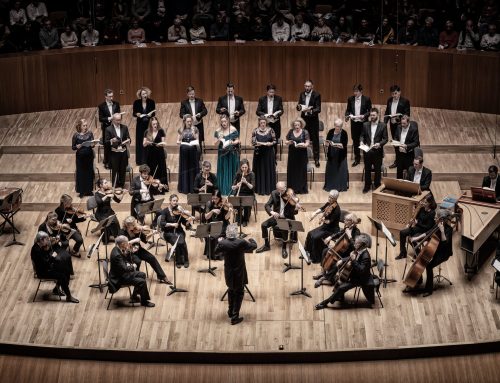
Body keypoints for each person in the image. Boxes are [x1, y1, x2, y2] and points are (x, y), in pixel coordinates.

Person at [403, 209, 454, 297]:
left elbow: (445, 243)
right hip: (436, 249)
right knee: (419, 259)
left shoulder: (448, 229)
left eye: (436, 217)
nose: (434, 218)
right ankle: (417, 281)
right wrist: (417, 238)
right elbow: (428, 233)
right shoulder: (437, 225)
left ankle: (429, 290)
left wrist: (442, 231)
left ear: (441, 219)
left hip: (444, 253)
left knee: (429, 266)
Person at [315, 233, 372, 310]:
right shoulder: (359, 250)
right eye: (355, 242)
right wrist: (342, 260)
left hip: (360, 278)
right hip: (355, 273)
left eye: (356, 243)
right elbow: (351, 257)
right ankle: (339, 297)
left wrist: (353, 260)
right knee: (338, 278)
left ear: (362, 245)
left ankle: (326, 302)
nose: (354, 244)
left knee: (341, 287)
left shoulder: (366, 257)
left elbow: (361, 271)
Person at [216, 223, 257, 325]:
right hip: (239, 272)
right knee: (239, 293)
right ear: (236, 233)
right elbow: (253, 246)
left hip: (228, 272)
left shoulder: (223, 243)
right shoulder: (241, 242)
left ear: (227, 233)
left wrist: (219, 242)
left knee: (230, 290)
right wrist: (252, 240)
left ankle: (230, 312)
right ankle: (235, 317)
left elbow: (216, 252)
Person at [256, 181, 302, 258]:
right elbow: (267, 205)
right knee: (263, 225)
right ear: (276, 189)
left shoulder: (290, 194)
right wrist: (272, 212)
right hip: (277, 217)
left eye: (283, 190)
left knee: (283, 227)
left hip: (288, 217)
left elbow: (293, 212)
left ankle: (284, 248)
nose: (281, 192)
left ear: (285, 188)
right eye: (279, 190)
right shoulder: (274, 193)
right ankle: (266, 245)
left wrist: (296, 208)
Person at [313, 213, 361, 288]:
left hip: (347, 254)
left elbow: (355, 247)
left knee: (336, 265)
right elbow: (339, 233)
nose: (344, 221)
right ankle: (323, 271)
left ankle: (325, 277)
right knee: (325, 250)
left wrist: (349, 236)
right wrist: (330, 237)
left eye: (346, 220)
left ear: (351, 221)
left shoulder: (356, 232)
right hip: (340, 250)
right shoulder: (347, 227)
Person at [119, 216, 171, 284]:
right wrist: (134, 240)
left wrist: (152, 233)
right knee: (137, 261)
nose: (135, 225)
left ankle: (162, 277)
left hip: (138, 249)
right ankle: (135, 277)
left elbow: (145, 240)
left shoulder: (136, 230)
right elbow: (122, 245)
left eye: (135, 224)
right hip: (128, 252)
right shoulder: (122, 232)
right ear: (128, 225)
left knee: (152, 258)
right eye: (133, 224)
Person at [31, 231, 79, 303]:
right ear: (41, 240)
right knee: (62, 276)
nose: (48, 241)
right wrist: (52, 257)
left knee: (66, 268)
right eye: (46, 239)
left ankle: (58, 289)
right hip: (43, 272)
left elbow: (46, 257)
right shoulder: (36, 250)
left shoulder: (40, 246)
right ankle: (68, 296)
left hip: (47, 268)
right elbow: (45, 264)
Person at [109, 235, 155, 307]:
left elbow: (122, 262)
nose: (128, 244)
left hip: (120, 273)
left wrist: (128, 252)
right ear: (122, 244)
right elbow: (125, 269)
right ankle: (144, 302)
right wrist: (133, 266)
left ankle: (134, 296)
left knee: (142, 275)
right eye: (126, 243)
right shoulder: (117, 254)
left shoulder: (116, 249)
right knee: (142, 281)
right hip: (119, 278)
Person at [396, 194, 437, 260]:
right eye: (424, 201)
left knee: (412, 238)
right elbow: (417, 217)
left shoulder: (432, 213)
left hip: (424, 231)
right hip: (417, 228)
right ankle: (403, 253)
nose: (423, 203)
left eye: (425, 202)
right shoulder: (422, 208)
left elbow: (428, 227)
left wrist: (418, 223)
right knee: (402, 232)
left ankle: (418, 252)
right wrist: (414, 219)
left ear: (430, 203)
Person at [305, 190, 341, 263]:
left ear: (335, 199)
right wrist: (314, 213)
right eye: (329, 197)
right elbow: (322, 209)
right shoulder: (329, 203)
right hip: (325, 227)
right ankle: (307, 251)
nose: (329, 199)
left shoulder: (337, 210)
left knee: (315, 238)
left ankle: (315, 258)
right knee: (309, 233)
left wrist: (323, 220)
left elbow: (329, 222)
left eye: (331, 198)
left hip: (332, 229)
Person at [158, 194, 194, 268]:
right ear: (170, 201)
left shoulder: (179, 211)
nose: (175, 202)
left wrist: (188, 221)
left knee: (183, 243)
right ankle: (178, 261)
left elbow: (185, 223)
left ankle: (186, 260)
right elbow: (162, 223)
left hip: (179, 231)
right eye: (174, 201)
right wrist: (172, 224)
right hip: (168, 233)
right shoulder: (165, 211)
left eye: (176, 201)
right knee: (177, 243)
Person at [38, 212, 75, 279]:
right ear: (48, 219)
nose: (55, 222)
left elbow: (63, 238)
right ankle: (59, 274)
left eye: (56, 220)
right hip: (47, 248)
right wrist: (52, 239)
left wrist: (63, 234)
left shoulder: (57, 225)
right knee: (58, 258)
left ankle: (69, 273)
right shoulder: (42, 227)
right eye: (53, 220)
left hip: (56, 246)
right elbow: (40, 240)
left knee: (68, 256)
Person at [360, 108, 388, 193]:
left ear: (377, 115)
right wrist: (361, 141)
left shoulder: (383, 125)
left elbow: (386, 139)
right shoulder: (365, 125)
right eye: (371, 115)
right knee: (367, 169)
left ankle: (377, 185)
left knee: (377, 169)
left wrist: (379, 144)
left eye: (373, 115)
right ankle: (367, 186)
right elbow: (362, 136)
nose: (372, 117)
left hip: (377, 151)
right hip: (367, 151)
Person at [345, 84, 372, 167]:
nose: (355, 93)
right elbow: (348, 110)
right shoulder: (350, 99)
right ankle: (357, 159)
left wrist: (364, 116)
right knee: (356, 141)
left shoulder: (367, 99)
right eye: (354, 91)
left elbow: (370, 111)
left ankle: (366, 158)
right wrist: (347, 116)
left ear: (361, 91)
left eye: (357, 91)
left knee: (364, 140)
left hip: (364, 124)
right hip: (354, 123)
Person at [384, 85, 410, 168]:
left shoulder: (405, 101)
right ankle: (397, 161)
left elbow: (407, 114)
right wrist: (384, 123)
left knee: (402, 142)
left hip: (401, 126)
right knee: (395, 143)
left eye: (395, 93)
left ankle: (403, 161)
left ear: (399, 92)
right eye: (392, 94)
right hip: (392, 125)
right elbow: (387, 112)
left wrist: (398, 118)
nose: (394, 95)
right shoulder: (389, 100)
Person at [214, 114, 240, 196]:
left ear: (228, 121)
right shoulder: (218, 131)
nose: (224, 123)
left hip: (231, 151)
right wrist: (219, 139)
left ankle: (232, 190)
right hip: (222, 152)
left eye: (225, 121)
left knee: (231, 169)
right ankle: (222, 190)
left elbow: (238, 140)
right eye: (222, 122)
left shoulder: (233, 129)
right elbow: (215, 144)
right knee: (223, 169)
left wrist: (232, 142)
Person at [298, 80, 321, 167]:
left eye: (309, 86)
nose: (307, 88)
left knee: (315, 140)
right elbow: (299, 106)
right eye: (306, 86)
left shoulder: (317, 95)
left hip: (313, 120)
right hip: (304, 120)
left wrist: (310, 110)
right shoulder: (302, 94)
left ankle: (316, 159)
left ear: (312, 86)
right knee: (303, 138)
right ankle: (304, 159)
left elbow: (318, 109)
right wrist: (299, 107)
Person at [204, 190, 233, 259]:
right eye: (213, 198)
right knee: (211, 235)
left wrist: (230, 212)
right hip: (212, 223)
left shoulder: (224, 204)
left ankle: (219, 255)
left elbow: (226, 218)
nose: (214, 200)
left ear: (220, 198)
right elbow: (206, 217)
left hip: (222, 223)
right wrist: (212, 211)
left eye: (216, 198)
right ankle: (212, 254)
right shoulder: (209, 203)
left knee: (218, 235)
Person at [252, 117, 276, 195]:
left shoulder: (271, 130)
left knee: (268, 169)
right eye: (261, 123)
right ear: (259, 123)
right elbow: (253, 142)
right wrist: (257, 143)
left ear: (266, 123)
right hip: (259, 153)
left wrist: (271, 143)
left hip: (268, 153)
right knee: (259, 170)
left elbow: (275, 141)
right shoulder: (255, 131)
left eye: (264, 122)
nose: (262, 124)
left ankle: (269, 189)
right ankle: (260, 189)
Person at [105, 113, 131, 189]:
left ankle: (121, 185)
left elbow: (128, 138)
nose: (118, 122)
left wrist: (128, 140)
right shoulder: (108, 129)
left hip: (123, 152)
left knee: (122, 170)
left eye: (120, 120)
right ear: (113, 120)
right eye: (117, 120)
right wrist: (111, 140)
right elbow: (106, 142)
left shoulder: (125, 127)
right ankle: (115, 186)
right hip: (114, 153)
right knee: (115, 170)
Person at [285, 118, 310, 194]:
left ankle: (301, 188)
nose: (297, 126)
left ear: (301, 125)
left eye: (298, 125)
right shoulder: (290, 131)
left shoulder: (305, 132)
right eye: (295, 125)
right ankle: (292, 189)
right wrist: (289, 142)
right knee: (292, 170)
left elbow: (307, 143)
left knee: (301, 171)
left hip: (302, 154)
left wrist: (303, 145)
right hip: (292, 154)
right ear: (293, 125)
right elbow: (286, 141)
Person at [143, 116, 168, 189]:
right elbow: (143, 144)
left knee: (161, 170)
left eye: (156, 124)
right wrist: (147, 142)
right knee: (151, 169)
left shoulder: (161, 131)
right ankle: (151, 187)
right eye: (153, 124)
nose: (155, 125)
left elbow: (164, 143)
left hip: (159, 153)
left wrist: (161, 144)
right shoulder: (147, 132)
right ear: (150, 124)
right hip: (150, 154)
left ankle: (162, 187)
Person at [72, 118, 95, 197]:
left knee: (89, 172)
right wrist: (77, 146)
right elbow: (73, 147)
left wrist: (93, 144)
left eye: (86, 125)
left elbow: (93, 144)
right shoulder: (76, 135)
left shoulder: (90, 133)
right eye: (84, 125)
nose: (86, 127)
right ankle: (81, 191)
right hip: (80, 157)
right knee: (81, 173)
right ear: (80, 126)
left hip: (89, 156)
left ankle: (89, 190)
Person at [94, 178, 122, 242]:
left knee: (115, 222)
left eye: (107, 182)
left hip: (109, 211)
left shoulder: (109, 190)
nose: (107, 184)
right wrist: (106, 196)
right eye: (105, 183)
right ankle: (105, 239)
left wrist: (120, 194)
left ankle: (117, 237)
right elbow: (99, 202)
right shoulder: (97, 194)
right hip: (100, 213)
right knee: (105, 223)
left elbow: (118, 201)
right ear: (101, 185)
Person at [98, 89, 121, 169]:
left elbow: (119, 114)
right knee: (107, 145)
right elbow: (100, 119)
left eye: (112, 96)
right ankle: (107, 162)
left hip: (116, 126)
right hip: (106, 128)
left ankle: (117, 161)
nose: (111, 98)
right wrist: (109, 118)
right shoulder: (101, 106)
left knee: (117, 142)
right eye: (109, 96)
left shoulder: (116, 104)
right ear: (105, 96)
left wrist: (117, 117)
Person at [324, 118, 349, 192]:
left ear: (341, 126)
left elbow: (344, 145)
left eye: (339, 126)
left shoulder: (344, 133)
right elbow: (327, 141)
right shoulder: (331, 131)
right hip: (332, 153)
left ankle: (340, 186)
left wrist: (338, 145)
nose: (337, 128)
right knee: (331, 170)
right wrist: (327, 144)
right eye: (336, 126)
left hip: (341, 154)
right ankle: (331, 186)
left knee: (340, 170)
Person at [177, 115, 200, 194]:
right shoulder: (181, 130)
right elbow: (178, 141)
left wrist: (194, 135)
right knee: (185, 169)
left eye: (191, 121)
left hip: (193, 152)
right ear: (184, 122)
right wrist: (181, 139)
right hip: (184, 152)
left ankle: (193, 188)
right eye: (188, 121)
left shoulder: (195, 129)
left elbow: (197, 141)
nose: (189, 123)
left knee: (193, 169)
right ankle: (185, 188)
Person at [133, 86, 156, 165]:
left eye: (146, 93)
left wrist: (150, 114)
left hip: (149, 124)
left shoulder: (151, 102)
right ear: (140, 95)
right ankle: (140, 161)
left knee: (149, 140)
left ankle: (149, 159)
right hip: (140, 125)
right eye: (143, 94)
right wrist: (137, 114)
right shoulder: (136, 102)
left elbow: (154, 113)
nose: (145, 95)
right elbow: (134, 113)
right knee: (140, 142)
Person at [394, 115, 420, 180]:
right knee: (399, 172)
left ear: (408, 123)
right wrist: (395, 142)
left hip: (409, 155)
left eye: (404, 123)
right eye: (401, 123)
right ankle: (399, 188)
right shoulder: (399, 127)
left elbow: (416, 142)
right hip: (399, 154)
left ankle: (407, 187)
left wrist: (407, 146)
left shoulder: (413, 130)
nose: (402, 125)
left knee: (409, 172)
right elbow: (396, 137)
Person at [230, 159, 255, 226]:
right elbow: (232, 187)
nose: (244, 169)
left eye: (245, 167)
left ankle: (245, 219)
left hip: (249, 193)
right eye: (243, 167)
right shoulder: (238, 174)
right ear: (240, 167)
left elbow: (252, 187)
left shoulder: (251, 174)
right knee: (236, 203)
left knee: (247, 205)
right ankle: (239, 218)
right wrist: (236, 186)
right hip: (240, 193)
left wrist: (246, 182)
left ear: (248, 167)